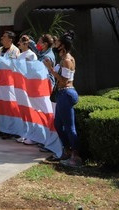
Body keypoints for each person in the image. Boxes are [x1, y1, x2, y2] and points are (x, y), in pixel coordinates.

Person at [43, 30, 81, 167]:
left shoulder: (67, 60)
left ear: (63, 46)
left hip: (66, 93)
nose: (55, 43)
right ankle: (67, 151)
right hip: (62, 94)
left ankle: (76, 157)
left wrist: (51, 69)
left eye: (58, 41)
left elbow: (64, 81)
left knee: (70, 127)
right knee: (58, 124)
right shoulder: (63, 59)